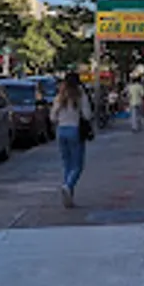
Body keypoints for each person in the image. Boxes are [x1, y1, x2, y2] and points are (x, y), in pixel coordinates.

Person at [51, 72, 94, 208]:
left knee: (67, 164)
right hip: (74, 130)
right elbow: (87, 115)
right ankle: (68, 186)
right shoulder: (80, 96)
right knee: (77, 165)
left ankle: (68, 195)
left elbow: (52, 117)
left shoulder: (60, 96)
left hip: (61, 130)